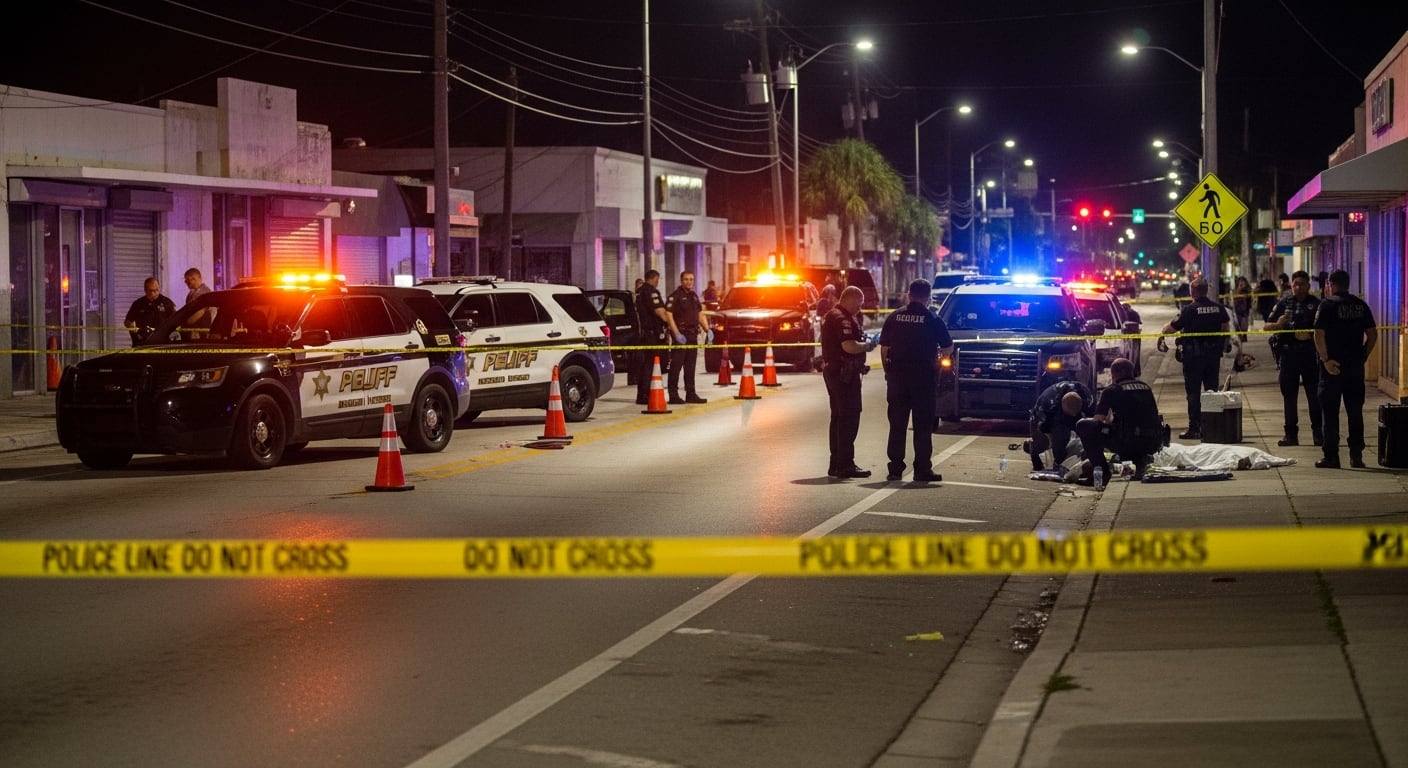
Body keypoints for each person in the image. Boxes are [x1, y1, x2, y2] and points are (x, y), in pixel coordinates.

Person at [878, 279, 953, 482]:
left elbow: (884, 349)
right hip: (924, 381)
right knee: (922, 426)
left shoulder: (895, 317)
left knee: (897, 425)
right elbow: (947, 347)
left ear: (909, 295)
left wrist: (888, 373)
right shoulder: (933, 319)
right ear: (928, 298)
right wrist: (939, 362)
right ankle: (922, 469)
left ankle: (895, 469)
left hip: (897, 380)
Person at [1313, 269, 1377, 469]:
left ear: (1331, 284)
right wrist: (1363, 356)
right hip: (1354, 368)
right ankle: (1356, 455)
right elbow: (1373, 334)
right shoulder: (1360, 305)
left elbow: (1319, 334)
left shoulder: (1327, 305)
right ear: (1348, 284)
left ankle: (1331, 456)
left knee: (1330, 413)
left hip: (1333, 368)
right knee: (1355, 412)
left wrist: (1326, 360)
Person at [1160, 277, 1230, 440]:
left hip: (1193, 357)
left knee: (1193, 393)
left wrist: (1164, 328)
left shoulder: (1190, 309)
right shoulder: (1218, 308)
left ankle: (1194, 428)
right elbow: (1225, 328)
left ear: (1192, 292)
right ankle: (1213, 426)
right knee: (1212, 391)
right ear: (1206, 290)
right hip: (1213, 356)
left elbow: (1172, 328)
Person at [1075, 358, 1164, 481]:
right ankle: (1140, 462)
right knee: (1131, 427)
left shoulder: (1112, 390)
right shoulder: (1146, 388)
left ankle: (1102, 472)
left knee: (1085, 425)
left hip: (1129, 442)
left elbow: (1098, 420)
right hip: (1154, 441)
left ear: (1115, 373)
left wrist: (1108, 424)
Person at [820, 285, 875, 478]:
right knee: (849, 418)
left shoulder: (833, 315)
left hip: (836, 372)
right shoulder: (841, 318)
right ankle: (845, 464)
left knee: (838, 418)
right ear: (849, 299)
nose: (860, 308)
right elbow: (849, 346)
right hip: (844, 375)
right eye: (859, 303)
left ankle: (836, 463)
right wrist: (868, 346)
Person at [1264, 270, 1322, 447]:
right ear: (1291, 285)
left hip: (1309, 356)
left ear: (1308, 286)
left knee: (1314, 397)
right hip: (1288, 356)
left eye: (1302, 284)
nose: (1298, 287)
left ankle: (1318, 435)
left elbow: (1325, 330)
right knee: (1289, 397)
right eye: (1295, 284)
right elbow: (1267, 326)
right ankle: (1291, 435)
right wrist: (1279, 324)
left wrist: (1311, 336)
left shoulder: (1316, 304)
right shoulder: (1284, 303)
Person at [634, 269, 683, 405]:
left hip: (644, 333)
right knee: (652, 364)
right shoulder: (651, 292)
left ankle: (642, 394)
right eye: (657, 279)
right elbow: (660, 312)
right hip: (652, 334)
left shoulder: (640, 291)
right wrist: (673, 322)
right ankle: (645, 394)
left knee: (646, 364)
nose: (658, 282)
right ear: (654, 278)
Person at [1027, 380, 1094, 472]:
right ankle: (1034, 451)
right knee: (1046, 441)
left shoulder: (1087, 397)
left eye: (1075, 412)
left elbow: (1093, 419)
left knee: (1087, 434)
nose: (1073, 415)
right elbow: (1038, 426)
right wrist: (1042, 442)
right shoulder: (1047, 403)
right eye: (1071, 413)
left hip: (1075, 417)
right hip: (1052, 418)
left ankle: (1081, 461)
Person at [666, 270, 708, 405]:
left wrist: (708, 329)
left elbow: (700, 314)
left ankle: (691, 393)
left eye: (691, 279)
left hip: (692, 335)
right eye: (686, 279)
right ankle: (673, 395)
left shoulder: (694, 296)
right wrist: (676, 333)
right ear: (681, 280)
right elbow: (669, 315)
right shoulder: (675, 296)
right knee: (676, 366)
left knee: (690, 366)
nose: (688, 282)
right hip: (681, 334)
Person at [124, 277, 176, 345]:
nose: (154, 293)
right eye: (151, 291)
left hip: (162, 342)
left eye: (156, 290)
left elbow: (175, 320)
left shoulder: (167, 303)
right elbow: (128, 322)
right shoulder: (138, 304)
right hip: (143, 341)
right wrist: (135, 331)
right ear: (145, 290)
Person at [1232, 276, 1252, 341]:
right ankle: (1239, 336)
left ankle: (1244, 335)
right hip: (1238, 308)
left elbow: (1250, 296)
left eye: (1243, 282)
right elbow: (1234, 296)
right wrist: (1239, 289)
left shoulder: (1247, 289)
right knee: (1238, 322)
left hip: (1245, 309)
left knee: (1244, 323)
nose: (1241, 283)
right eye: (1240, 282)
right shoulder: (1236, 289)